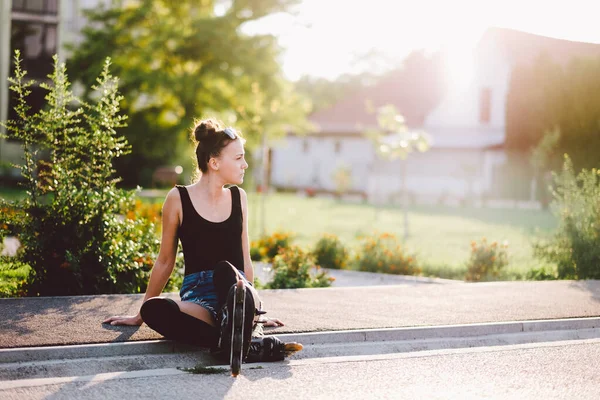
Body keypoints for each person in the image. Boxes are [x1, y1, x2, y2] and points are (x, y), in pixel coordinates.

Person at [103, 118, 297, 362]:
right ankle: (235, 338)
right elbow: (165, 260)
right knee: (155, 310)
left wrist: (254, 311)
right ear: (214, 162)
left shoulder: (240, 197)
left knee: (227, 274)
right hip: (198, 299)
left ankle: (238, 324)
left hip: (236, 290)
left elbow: (245, 260)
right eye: (238, 158)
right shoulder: (178, 198)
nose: (245, 164)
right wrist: (140, 315)